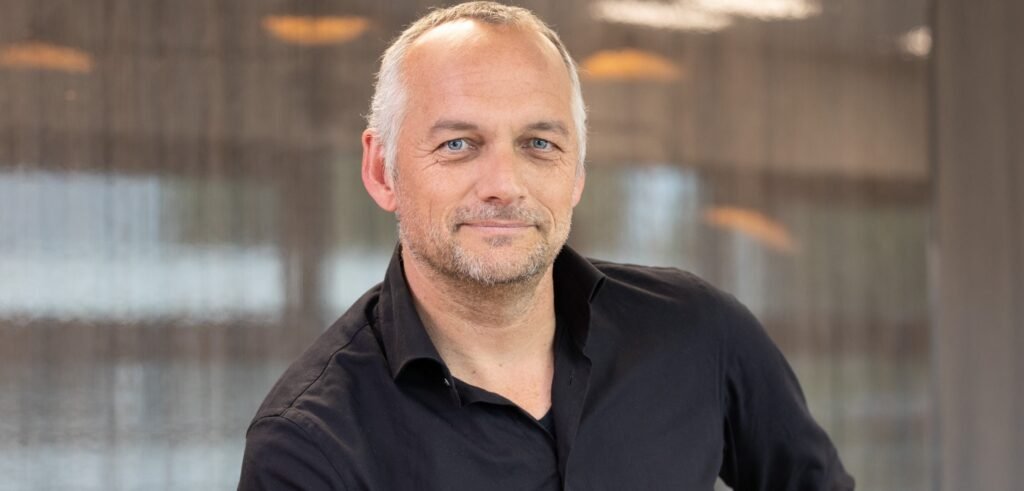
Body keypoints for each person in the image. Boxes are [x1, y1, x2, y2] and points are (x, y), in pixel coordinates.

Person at [238, 2, 854, 489]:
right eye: (458, 144)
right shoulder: (309, 445)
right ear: (381, 171)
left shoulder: (701, 335)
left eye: (539, 144)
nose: (505, 185)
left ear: (577, 172)